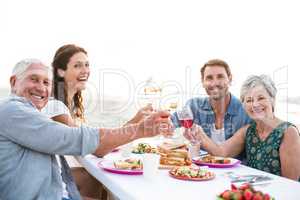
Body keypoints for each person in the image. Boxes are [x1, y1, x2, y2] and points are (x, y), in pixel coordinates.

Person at [0, 58, 172, 200]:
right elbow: (80, 139)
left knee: (92, 180)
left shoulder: (28, 112)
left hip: (54, 190)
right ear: (14, 82)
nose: (41, 88)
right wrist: (140, 129)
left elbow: (90, 139)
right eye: (34, 79)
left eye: (46, 82)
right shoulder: (12, 110)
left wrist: (136, 126)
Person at [42, 44, 153, 199]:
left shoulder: (68, 106)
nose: (85, 70)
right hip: (48, 181)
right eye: (77, 65)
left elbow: (97, 139)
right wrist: (141, 128)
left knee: (93, 179)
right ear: (61, 71)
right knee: (95, 179)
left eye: (87, 65)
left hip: (58, 172)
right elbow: (97, 145)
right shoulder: (55, 107)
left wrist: (136, 120)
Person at [184, 75, 300, 181]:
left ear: (272, 99)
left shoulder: (288, 132)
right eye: (249, 100)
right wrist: (200, 134)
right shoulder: (248, 131)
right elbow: (221, 153)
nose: (255, 104)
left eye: (261, 98)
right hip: (253, 191)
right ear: (244, 105)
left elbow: (290, 183)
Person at [172, 59, 251, 145]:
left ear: (230, 79)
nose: (215, 83)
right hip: (199, 159)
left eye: (220, 77)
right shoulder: (193, 106)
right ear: (203, 82)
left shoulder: (246, 112)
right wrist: (164, 122)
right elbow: (170, 122)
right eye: (209, 78)